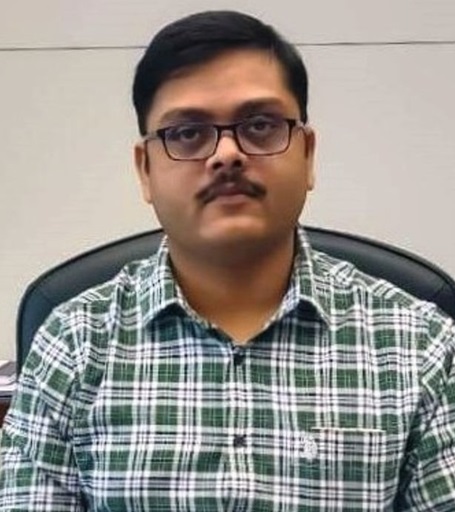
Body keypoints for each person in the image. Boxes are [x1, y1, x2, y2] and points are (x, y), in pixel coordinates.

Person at [1, 9, 455, 511]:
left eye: (260, 125)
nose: (227, 154)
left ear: (307, 154)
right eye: (187, 133)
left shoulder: (420, 346)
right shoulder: (73, 344)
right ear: (145, 170)